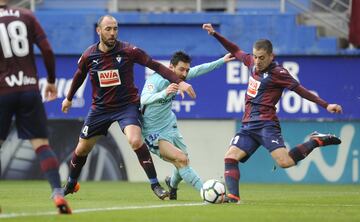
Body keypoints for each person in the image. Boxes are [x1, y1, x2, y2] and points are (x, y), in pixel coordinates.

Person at [202, 23, 343, 203]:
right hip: (248, 125)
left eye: (261, 57)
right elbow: (235, 50)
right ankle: (233, 197)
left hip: (266, 125)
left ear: (271, 56)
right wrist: (215, 34)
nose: (257, 61)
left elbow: (300, 90)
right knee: (230, 157)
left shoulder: (279, 73)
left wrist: (326, 105)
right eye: (255, 56)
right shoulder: (252, 64)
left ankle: (316, 141)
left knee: (285, 163)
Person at [61, 15, 196, 200]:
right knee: (82, 149)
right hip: (100, 109)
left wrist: (179, 82)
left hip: (126, 106)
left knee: (135, 140)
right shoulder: (89, 55)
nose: (112, 33)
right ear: (98, 31)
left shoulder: (129, 50)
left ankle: (155, 185)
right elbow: (79, 76)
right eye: (108, 29)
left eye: (115, 28)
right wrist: (68, 99)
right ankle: (70, 184)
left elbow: (155, 65)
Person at [0, 0, 71, 214]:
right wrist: (50, 80)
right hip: (29, 89)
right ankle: (58, 193)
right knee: (41, 145)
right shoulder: (27, 15)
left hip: (3, 90)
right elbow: (47, 50)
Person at [141, 51, 234, 200]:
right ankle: (207, 193)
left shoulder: (180, 78)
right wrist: (164, 93)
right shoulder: (156, 79)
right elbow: (144, 99)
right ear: (171, 67)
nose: (184, 74)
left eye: (186, 70)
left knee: (184, 160)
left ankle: (172, 185)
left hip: (170, 125)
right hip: (153, 132)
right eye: (181, 69)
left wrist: (222, 60)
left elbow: (200, 69)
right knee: (181, 159)